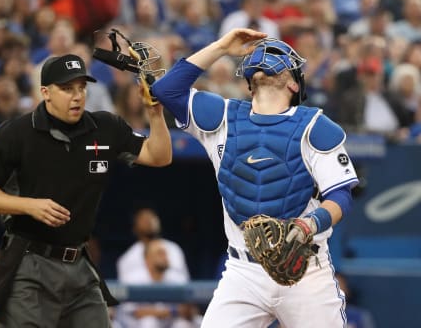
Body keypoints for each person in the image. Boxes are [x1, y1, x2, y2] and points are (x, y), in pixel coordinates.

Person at [151, 28, 359, 327]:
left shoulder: (315, 126)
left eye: (282, 62)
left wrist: (308, 224)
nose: (270, 60)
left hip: (304, 270)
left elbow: (340, 196)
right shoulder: (222, 116)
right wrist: (222, 46)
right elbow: (166, 90)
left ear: (292, 84)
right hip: (243, 271)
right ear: (249, 82)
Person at [0, 53, 172, 327]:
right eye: (67, 89)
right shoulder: (16, 133)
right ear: (46, 93)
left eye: (81, 87)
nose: (77, 96)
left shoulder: (105, 126)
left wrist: (154, 112)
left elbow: (160, 156)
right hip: (30, 264)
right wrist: (30, 205)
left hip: (79, 265)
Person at [115, 238, 201, 328]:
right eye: (160, 253)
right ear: (147, 260)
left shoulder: (177, 278)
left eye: (166, 253)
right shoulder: (133, 279)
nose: (165, 256)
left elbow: (189, 309)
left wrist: (188, 311)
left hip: (170, 323)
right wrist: (173, 311)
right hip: (138, 324)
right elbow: (136, 312)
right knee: (149, 322)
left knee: (186, 324)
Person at [117, 207, 190, 284]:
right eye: (144, 219)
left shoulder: (174, 249)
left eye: (152, 217)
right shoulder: (127, 258)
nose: (149, 221)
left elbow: (185, 284)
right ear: (134, 228)